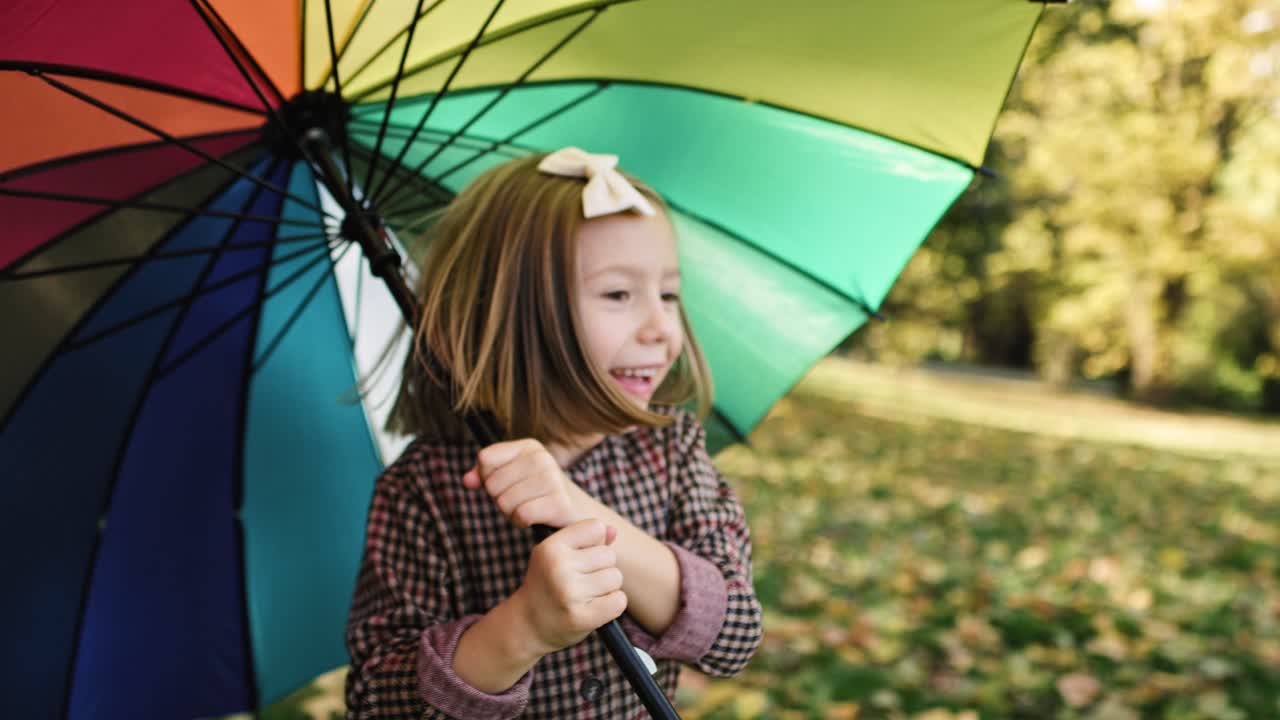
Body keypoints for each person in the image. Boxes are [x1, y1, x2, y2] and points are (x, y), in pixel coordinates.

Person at [344, 147, 763, 719]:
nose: (663, 328)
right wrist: (522, 628)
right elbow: (377, 703)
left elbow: (734, 633)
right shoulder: (424, 492)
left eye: (667, 293)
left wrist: (575, 506)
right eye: (618, 294)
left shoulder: (673, 449)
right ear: (513, 312)